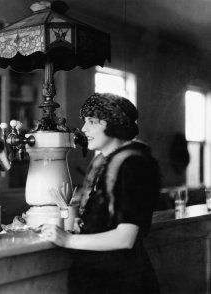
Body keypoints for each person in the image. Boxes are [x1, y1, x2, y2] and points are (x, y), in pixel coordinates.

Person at [41, 93, 160, 294]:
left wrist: (68, 240)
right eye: (85, 122)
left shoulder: (134, 164)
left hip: (122, 281)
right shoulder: (103, 162)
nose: (84, 129)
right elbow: (105, 219)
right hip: (98, 279)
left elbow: (126, 237)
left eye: (92, 122)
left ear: (114, 123)